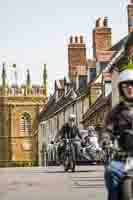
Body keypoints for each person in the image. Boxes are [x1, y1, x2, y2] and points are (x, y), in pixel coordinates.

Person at [104, 64, 133, 200]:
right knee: (111, 172)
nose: (130, 88)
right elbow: (108, 129)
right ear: (121, 89)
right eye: (126, 85)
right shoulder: (115, 112)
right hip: (122, 157)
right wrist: (106, 139)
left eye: (132, 85)